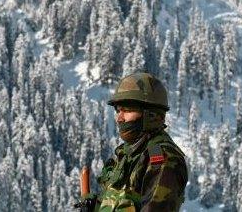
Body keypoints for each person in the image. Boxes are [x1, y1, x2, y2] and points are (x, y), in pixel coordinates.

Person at [77, 72, 188, 211]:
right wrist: (93, 206)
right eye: (118, 110)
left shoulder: (162, 158)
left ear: (150, 114)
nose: (119, 118)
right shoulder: (127, 153)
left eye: (127, 110)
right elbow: (116, 202)